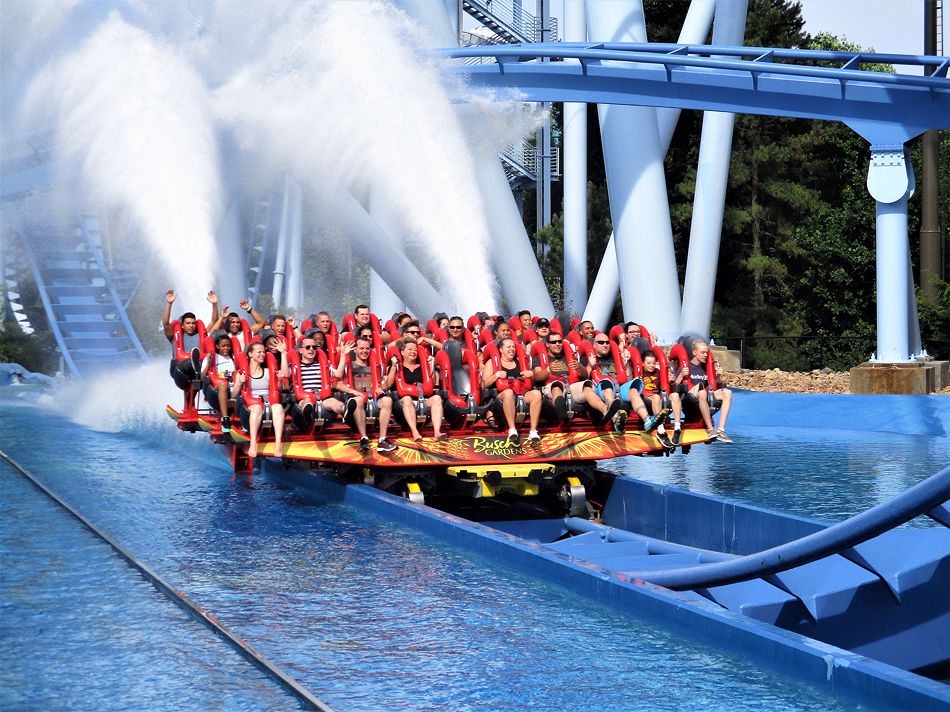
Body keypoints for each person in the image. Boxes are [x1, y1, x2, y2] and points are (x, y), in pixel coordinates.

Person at [292, 335, 371, 445]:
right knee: (306, 403)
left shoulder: (323, 365)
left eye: (314, 347)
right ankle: (308, 415)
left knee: (335, 403)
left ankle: (346, 410)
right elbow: (286, 377)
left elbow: (338, 375)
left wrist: (343, 355)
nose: (311, 350)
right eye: (308, 347)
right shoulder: (295, 366)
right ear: (301, 350)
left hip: (322, 398)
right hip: (305, 398)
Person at [578, 335, 665, 433]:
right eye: (601, 342)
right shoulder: (587, 358)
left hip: (619, 387)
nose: (605, 345)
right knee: (607, 386)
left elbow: (628, 378)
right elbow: (584, 378)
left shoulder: (615, 356)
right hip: (601, 388)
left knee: (634, 388)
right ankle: (616, 419)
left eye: (607, 342)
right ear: (594, 345)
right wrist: (590, 365)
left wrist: (626, 364)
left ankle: (647, 420)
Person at [532, 333, 619, 423]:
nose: (557, 344)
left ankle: (605, 410)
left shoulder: (569, 355)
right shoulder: (539, 358)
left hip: (571, 385)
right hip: (551, 386)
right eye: (554, 342)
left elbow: (585, 375)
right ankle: (563, 417)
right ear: (547, 344)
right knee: (557, 387)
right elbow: (537, 377)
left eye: (559, 341)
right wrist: (548, 370)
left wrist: (580, 366)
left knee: (586, 387)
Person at [335, 336, 397, 452]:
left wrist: (393, 367)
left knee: (387, 400)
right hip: (355, 400)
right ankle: (364, 438)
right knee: (358, 400)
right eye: (361, 348)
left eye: (367, 348)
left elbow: (387, 385)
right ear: (355, 350)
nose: (365, 351)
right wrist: (353, 391)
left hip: (371, 398)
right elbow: (336, 384)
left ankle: (382, 440)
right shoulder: (349, 365)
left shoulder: (375, 366)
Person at [482, 337, 542, 443]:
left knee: (536, 394)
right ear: (501, 349)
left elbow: (530, 384)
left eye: (513, 347)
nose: (512, 349)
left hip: (519, 395)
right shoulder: (492, 362)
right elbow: (483, 385)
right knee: (508, 392)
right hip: (499, 400)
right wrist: (496, 375)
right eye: (508, 347)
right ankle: (512, 429)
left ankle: (533, 431)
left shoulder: (520, 363)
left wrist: (531, 375)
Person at [675, 339, 733, 443]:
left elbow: (717, 386)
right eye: (702, 352)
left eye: (706, 352)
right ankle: (710, 430)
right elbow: (674, 387)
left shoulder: (707, 367)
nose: (705, 355)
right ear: (694, 352)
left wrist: (718, 376)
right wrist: (681, 375)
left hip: (705, 396)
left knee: (727, 393)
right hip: (690, 397)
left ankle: (720, 430)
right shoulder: (686, 366)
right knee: (701, 390)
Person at [387, 337, 445, 441]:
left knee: (437, 398)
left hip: (422, 399)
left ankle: (437, 432)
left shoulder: (423, 366)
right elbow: (389, 384)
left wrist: (431, 367)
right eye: (410, 349)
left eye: (415, 350)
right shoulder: (398, 366)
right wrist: (393, 367)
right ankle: (415, 432)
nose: (413, 352)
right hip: (403, 402)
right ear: (402, 352)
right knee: (407, 399)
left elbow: (433, 383)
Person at [162, 288, 218, 391]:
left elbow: (214, 321)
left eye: (193, 323)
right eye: (188, 323)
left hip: (199, 371)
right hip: (180, 371)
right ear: (182, 325)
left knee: (208, 365)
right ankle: (193, 363)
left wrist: (214, 304)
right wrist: (169, 303)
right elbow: (165, 323)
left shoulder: (201, 334)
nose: (191, 326)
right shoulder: (174, 336)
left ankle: (193, 402)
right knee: (188, 362)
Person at [239, 342, 285, 459]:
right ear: (250, 354)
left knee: (278, 407)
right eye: (259, 352)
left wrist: (280, 381)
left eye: (264, 352)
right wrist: (239, 382)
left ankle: (278, 444)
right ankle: (253, 444)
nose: (262, 354)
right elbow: (234, 394)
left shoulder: (268, 372)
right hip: (251, 406)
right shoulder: (242, 373)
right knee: (256, 408)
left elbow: (279, 389)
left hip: (268, 403)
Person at [200, 331, 242, 430]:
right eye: (223, 346)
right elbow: (202, 377)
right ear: (217, 346)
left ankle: (243, 420)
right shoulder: (212, 357)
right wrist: (208, 363)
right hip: (216, 388)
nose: (226, 348)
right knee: (223, 384)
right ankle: (225, 418)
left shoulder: (233, 357)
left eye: (228, 346)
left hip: (233, 386)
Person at [640, 351, 682, 447]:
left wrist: (670, 381)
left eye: (654, 363)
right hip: (646, 400)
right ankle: (661, 431)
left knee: (675, 395)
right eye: (648, 363)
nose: (652, 365)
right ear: (642, 363)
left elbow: (668, 387)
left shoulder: (658, 372)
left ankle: (677, 427)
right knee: (656, 397)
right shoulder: (640, 371)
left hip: (659, 399)